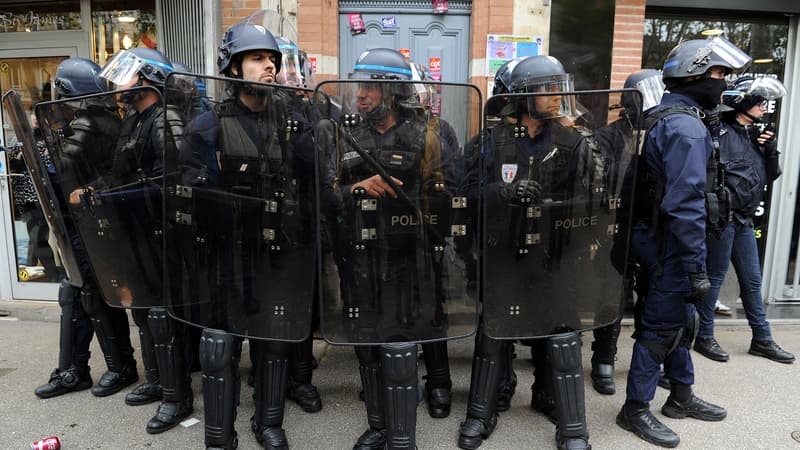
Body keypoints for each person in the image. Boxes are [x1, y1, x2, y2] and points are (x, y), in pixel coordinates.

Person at [458, 54, 615, 450]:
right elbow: (463, 196)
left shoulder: (574, 142)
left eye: (557, 87)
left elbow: (594, 201)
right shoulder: (489, 142)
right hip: (504, 256)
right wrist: (501, 193)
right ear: (521, 96)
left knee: (561, 337)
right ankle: (484, 408)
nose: (556, 95)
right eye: (546, 88)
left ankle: (565, 418)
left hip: (554, 257)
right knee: (494, 336)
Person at [314, 47, 468, 449]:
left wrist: (416, 201)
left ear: (394, 91)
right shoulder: (341, 132)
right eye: (358, 85)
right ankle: (379, 423)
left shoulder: (429, 133)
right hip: (359, 257)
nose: (360, 94)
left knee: (406, 337)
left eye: (370, 86)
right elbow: (324, 196)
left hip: (408, 258)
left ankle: (414, 419)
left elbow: (450, 195)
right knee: (365, 340)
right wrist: (354, 189)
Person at [176, 15, 314, 448]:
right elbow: (187, 193)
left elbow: (312, 184)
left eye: (273, 59)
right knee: (220, 347)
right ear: (234, 68)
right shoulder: (208, 125)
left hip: (278, 253)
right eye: (257, 58)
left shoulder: (293, 122)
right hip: (227, 255)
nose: (269, 66)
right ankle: (220, 435)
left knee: (273, 342)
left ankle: (268, 424)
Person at [616, 37, 751, 448]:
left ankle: (680, 395)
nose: (723, 82)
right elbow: (686, 203)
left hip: (653, 237)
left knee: (679, 320)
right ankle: (635, 409)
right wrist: (695, 265)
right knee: (660, 325)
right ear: (693, 75)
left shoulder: (662, 115)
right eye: (718, 73)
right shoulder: (686, 128)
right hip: (671, 244)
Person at [92, 47, 194, 434]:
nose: (119, 83)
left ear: (147, 79)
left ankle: (176, 396)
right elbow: (120, 172)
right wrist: (94, 189)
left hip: (162, 233)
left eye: (127, 74)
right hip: (136, 232)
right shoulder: (134, 120)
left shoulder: (165, 119)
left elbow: (169, 184)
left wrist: (120, 196)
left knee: (161, 316)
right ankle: (156, 379)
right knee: (142, 311)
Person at [32, 57, 138, 400]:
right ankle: (75, 369)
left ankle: (119, 366)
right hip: (85, 225)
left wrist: (38, 141)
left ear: (68, 93)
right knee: (77, 294)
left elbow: (61, 168)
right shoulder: (98, 120)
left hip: (92, 226)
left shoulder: (91, 124)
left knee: (94, 296)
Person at [693, 76, 795, 364]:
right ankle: (703, 337)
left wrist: (770, 149)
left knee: (752, 282)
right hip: (723, 220)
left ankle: (762, 339)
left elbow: (771, 175)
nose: (764, 107)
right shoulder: (717, 134)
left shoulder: (754, 136)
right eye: (760, 102)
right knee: (713, 280)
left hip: (745, 222)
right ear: (744, 102)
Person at [589, 68, 665, 395]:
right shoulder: (608, 136)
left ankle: (650, 359)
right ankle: (603, 358)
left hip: (650, 225)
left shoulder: (662, 133)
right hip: (615, 225)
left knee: (652, 297)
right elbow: (595, 183)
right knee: (612, 296)